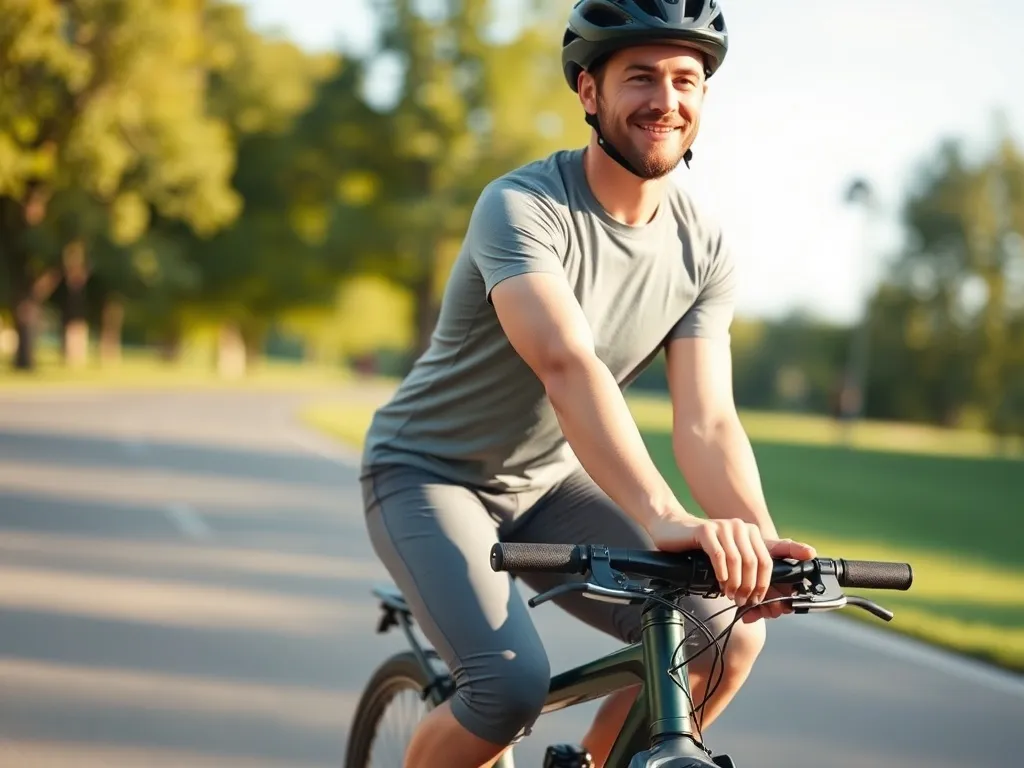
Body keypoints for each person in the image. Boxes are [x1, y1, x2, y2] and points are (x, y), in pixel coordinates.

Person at [358, 1, 816, 766]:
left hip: (549, 485)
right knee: (507, 690)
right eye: (640, 77)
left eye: (685, 79)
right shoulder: (522, 207)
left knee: (726, 639)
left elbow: (706, 421)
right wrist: (664, 515)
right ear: (588, 91)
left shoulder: (703, 246)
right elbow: (567, 365)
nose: (665, 100)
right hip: (429, 474)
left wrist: (760, 544)